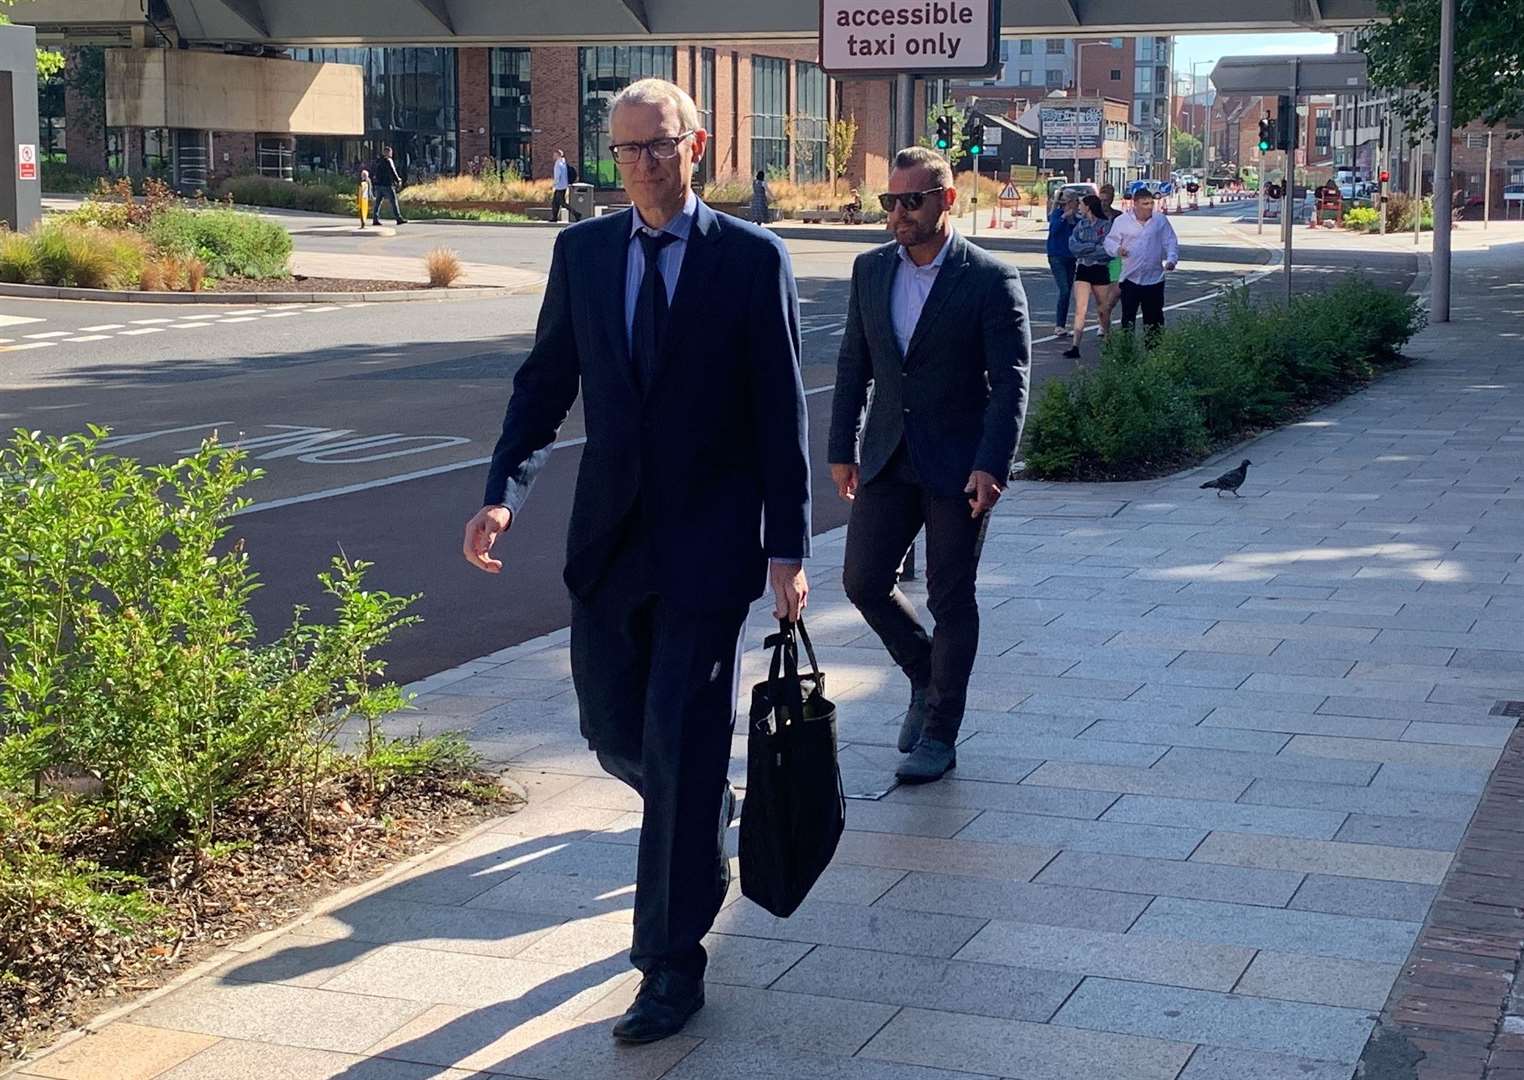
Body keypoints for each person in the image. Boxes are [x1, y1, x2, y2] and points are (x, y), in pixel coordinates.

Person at [462, 77, 810, 1045]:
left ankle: (669, 965)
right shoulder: (582, 254)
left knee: (680, 737)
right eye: (624, 151)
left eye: (658, 147)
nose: (641, 167)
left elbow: (780, 412)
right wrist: (503, 491)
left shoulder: (750, 260)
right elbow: (544, 384)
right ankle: (702, 812)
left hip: (707, 552)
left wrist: (789, 545)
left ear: (695, 146)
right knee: (616, 732)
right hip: (609, 546)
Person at [827, 146, 1031, 785]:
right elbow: (853, 365)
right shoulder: (870, 271)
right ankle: (924, 669)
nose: (898, 213)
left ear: (948, 200)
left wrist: (991, 464)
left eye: (911, 200)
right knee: (862, 581)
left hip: (957, 467)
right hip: (888, 456)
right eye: (890, 201)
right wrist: (841, 448)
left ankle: (940, 733)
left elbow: (1011, 382)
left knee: (951, 597)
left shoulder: (990, 279)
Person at [1104, 187, 1178, 338]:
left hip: (1154, 279)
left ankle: (1154, 354)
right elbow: (1109, 241)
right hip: (1131, 278)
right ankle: (1126, 351)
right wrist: (1118, 250)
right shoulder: (1122, 221)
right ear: (1135, 204)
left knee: (1154, 320)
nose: (1149, 207)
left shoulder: (1159, 220)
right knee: (1128, 319)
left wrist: (1171, 260)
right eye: (1145, 204)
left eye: (1151, 203)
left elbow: (1170, 240)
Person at [1063, 194, 1114, 360]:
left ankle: (1108, 339)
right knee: (1080, 309)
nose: (1079, 207)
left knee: (1103, 309)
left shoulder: (1106, 225)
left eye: (1082, 205)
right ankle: (1075, 346)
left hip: (1100, 269)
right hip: (1083, 268)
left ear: (1089, 207)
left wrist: (1088, 249)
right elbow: (1073, 246)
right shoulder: (1081, 225)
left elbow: (1107, 249)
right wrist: (1092, 246)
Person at [1046, 191, 1079, 336]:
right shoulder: (1056, 214)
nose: (1077, 206)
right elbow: (1053, 230)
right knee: (1064, 289)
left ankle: (1063, 324)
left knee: (1068, 291)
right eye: (1075, 202)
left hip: (1070, 257)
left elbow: (1078, 233)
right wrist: (1064, 217)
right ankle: (1059, 325)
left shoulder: (1075, 219)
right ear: (1069, 203)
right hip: (1056, 256)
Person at [370, 145, 406, 226]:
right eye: (390, 152)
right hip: (387, 184)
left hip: (379, 185)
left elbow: (374, 171)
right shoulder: (389, 160)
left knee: (378, 202)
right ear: (388, 152)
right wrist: (398, 180)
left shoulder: (378, 161)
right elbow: (393, 171)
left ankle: (375, 219)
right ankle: (398, 218)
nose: (391, 154)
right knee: (393, 201)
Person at [550, 148, 571, 223]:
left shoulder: (558, 164)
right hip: (564, 186)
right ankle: (554, 217)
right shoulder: (564, 163)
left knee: (562, 202)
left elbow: (557, 176)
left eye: (554, 155)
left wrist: (554, 184)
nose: (553, 156)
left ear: (558, 155)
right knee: (555, 202)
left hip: (559, 186)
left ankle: (576, 213)